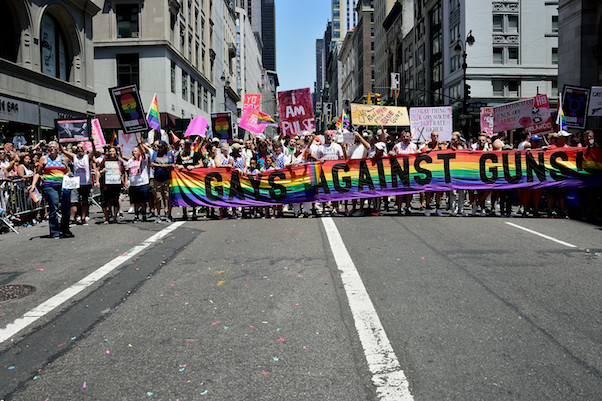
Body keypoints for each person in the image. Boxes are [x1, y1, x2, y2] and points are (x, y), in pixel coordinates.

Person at [29, 141, 73, 238]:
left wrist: (67, 176)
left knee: (66, 208)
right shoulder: (44, 158)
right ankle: (54, 231)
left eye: (54, 147)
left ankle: (65, 229)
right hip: (49, 186)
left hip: (63, 186)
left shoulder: (63, 159)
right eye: (50, 147)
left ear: (57, 149)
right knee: (54, 206)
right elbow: (37, 172)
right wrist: (33, 185)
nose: (52, 148)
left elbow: (67, 171)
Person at [61, 142, 96, 225]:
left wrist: (92, 142)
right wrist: (60, 141)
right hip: (75, 182)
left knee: (84, 201)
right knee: (73, 201)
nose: (79, 149)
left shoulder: (87, 157)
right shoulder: (74, 157)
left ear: (84, 149)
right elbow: (63, 151)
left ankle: (83, 218)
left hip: (85, 183)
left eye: (81, 148)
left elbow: (94, 151)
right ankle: (72, 219)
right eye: (78, 148)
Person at [316, 130, 344, 216]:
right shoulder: (320, 147)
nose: (329, 137)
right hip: (324, 172)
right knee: (325, 191)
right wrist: (320, 160)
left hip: (335, 172)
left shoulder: (337, 146)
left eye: (330, 135)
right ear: (324, 137)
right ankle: (324, 209)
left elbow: (341, 158)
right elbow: (317, 160)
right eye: (327, 135)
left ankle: (334, 209)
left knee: (335, 190)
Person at [98, 146, 126, 224]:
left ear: (116, 152)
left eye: (113, 151)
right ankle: (106, 218)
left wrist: (121, 174)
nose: (111, 153)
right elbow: (99, 170)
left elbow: (123, 172)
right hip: (106, 185)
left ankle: (114, 217)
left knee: (115, 201)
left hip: (116, 184)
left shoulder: (119, 162)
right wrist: (102, 171)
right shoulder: (105, 161)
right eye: (110, 151)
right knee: (104, 201)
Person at [392, 131, 418, 215]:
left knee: (409, 191)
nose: (406, 138)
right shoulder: (397, 146)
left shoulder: (414, 146)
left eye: (407, 136)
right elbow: (392, 153)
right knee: (400, 191)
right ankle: (399, 207)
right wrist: (391, 153)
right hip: (399, 172)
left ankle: (408, 206)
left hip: (410, 172)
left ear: (410, 137)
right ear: (401, 137)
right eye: (404, 136)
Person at [421, 131, 446, 216]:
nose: (435, 137)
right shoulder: (426, 146)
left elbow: (446, 155)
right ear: (431, 137)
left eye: (437, 136)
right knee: (428, 190)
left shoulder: (442, 146)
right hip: (429, 171)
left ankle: (438, 208)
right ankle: (427, 208)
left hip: (439, 171)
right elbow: (422, 155)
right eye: (434, 136)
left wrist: (439, 147)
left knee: (439, 191)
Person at [150, 141, 175, 223]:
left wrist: (168, 166)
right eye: (158, 147)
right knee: (158, 198)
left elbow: (172, 165)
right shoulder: (155, 154)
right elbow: (152, 164)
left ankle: (168, 214)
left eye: (161, 147)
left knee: (167, 197)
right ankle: (158, 215)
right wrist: (163, 165)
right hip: (157, 179)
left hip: (167, 179)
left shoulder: (169, 154)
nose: (159, 149)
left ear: (165, 147)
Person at [126, 142, 151, 222]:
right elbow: (127, 171)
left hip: (143, 183)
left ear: (139, 152)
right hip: (134, 184)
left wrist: (140, 141)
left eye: (136, 151)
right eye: (133, 151)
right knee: (136, 201)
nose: (134, 153)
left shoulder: (143, 159)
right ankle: (136, 215)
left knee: (143, 201)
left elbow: (144, 154)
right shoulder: (129, 161)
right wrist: (126, 180)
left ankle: (144, 214)